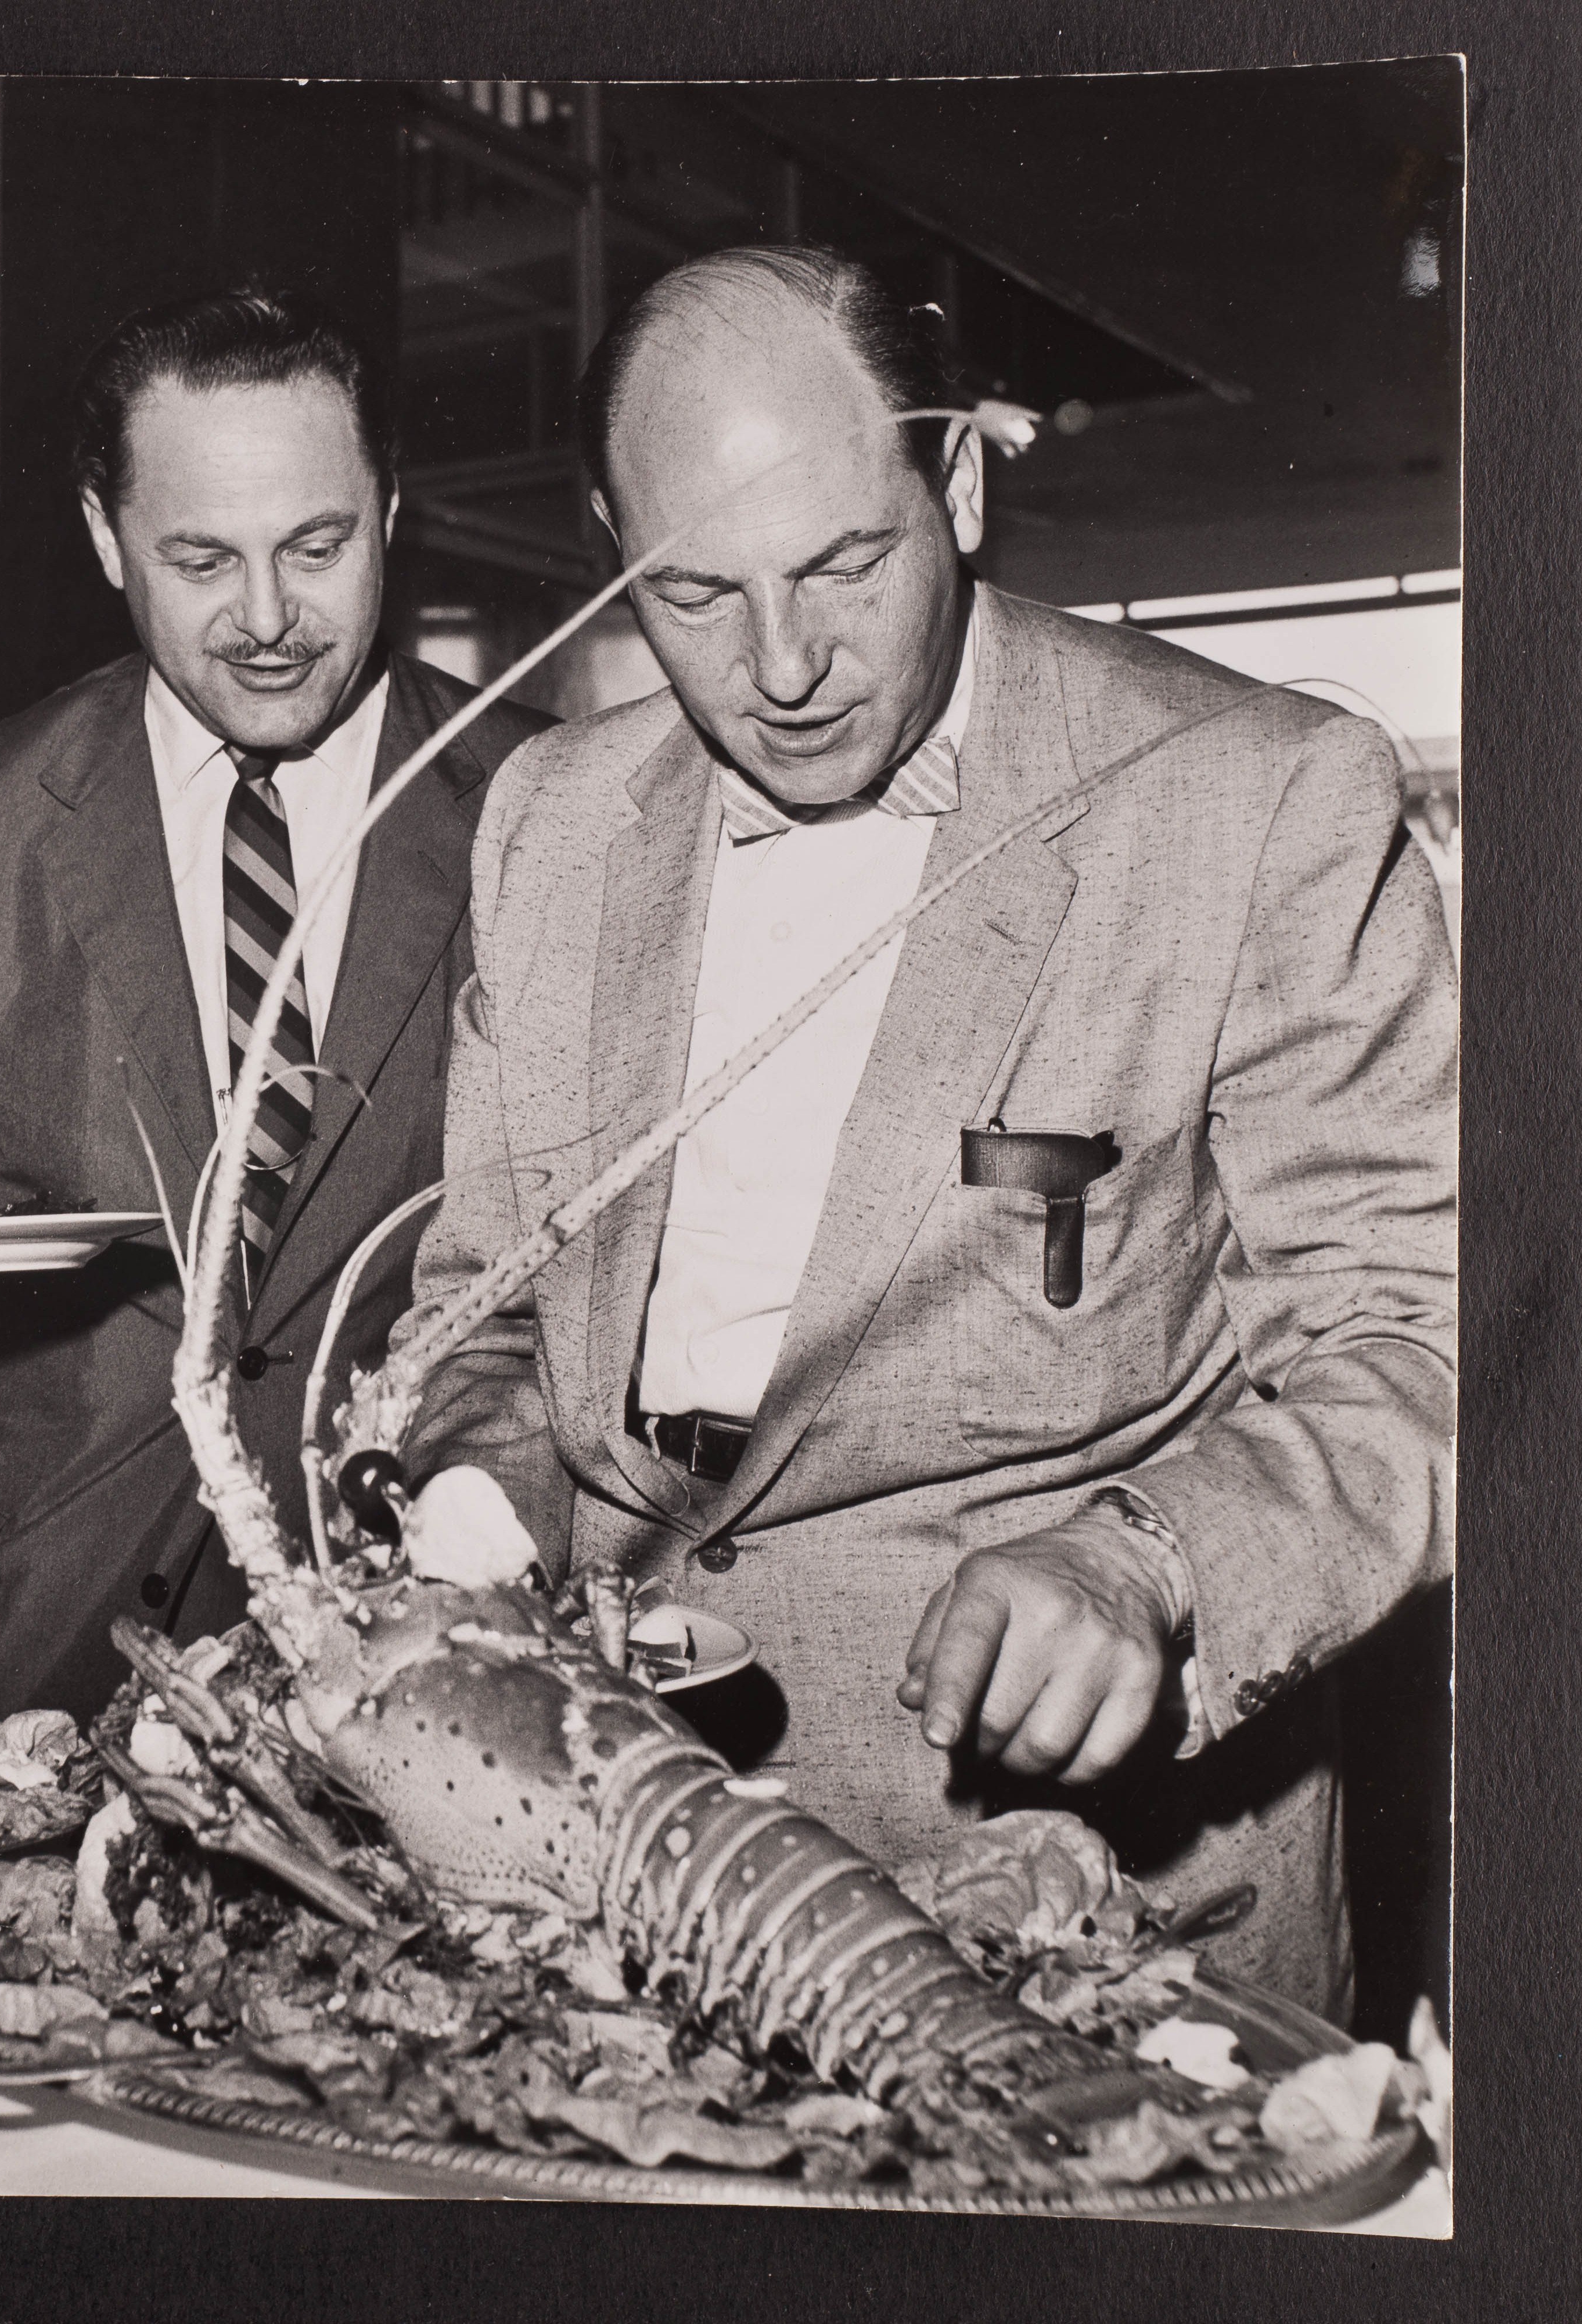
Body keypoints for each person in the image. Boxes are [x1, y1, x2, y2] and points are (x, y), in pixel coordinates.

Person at [394, 244, 1456, 2016]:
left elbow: (1424, 1340)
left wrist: (1149, 1562)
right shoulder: (549, 818)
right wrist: (465, 1508)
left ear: (956, 481)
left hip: (1088, 1889)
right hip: (603, 1854)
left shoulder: (1260, 799)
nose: (785, 666)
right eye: (696, 595)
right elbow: (482, 1306)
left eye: (846, 563)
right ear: (608, 542)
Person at [0, 290, 552, 1725]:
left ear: (390, 511)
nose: (272, 619)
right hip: (44, 1606)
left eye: (318, 546)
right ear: (106, 540)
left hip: (422, 1627)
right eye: (201, 560)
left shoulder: (542, 803)